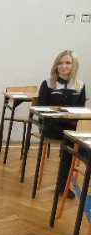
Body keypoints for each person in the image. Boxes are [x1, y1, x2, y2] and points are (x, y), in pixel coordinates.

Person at [37, 49, 86, 195]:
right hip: (50, 126)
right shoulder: (47, 84)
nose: (63, 66)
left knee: (72, 138)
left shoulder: (80, 85)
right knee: (71, 140)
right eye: (60, 63)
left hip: (70, 127)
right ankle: (62, 185)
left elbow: (80, 110)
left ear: (74, 65)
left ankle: (62, 184)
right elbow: (41, 111)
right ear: (56, 65)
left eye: (68, 63)